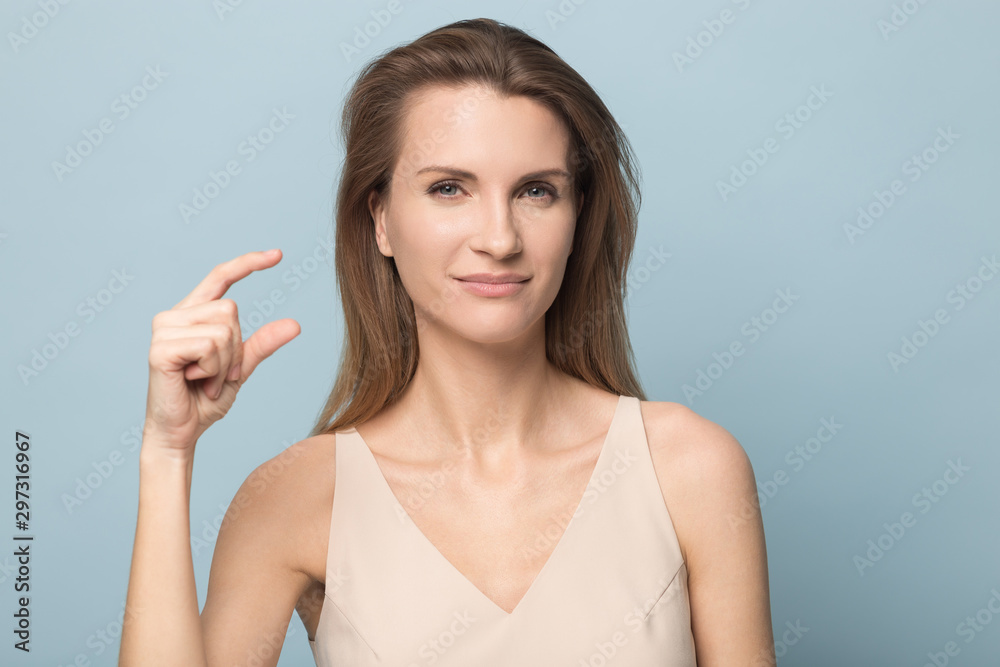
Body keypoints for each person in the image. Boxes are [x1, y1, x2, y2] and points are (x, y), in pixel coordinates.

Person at [119, 17, 774, 667]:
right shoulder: (294, 497)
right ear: (380, 218)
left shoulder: (690, 468)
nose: (499, 238)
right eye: (449, 188)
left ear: (577, 217)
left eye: (537, 191)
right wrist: (167, 453)